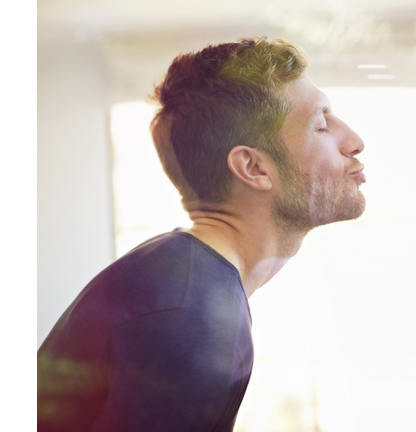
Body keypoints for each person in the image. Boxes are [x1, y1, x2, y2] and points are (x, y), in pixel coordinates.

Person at [37, 36, 366, 432]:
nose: (354, 142)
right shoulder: (192, 320)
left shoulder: (183, 281)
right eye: (321, 125)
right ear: (253, 168)